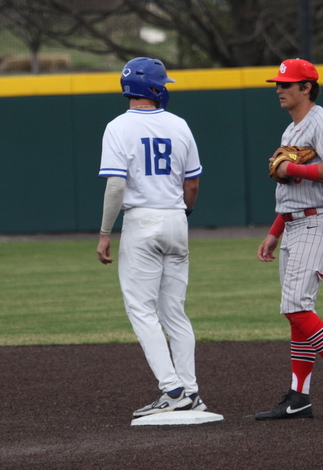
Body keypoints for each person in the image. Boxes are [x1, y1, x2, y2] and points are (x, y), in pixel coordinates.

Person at [254, 58, 323, 421]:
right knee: (296, 314)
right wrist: (275, 232)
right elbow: (293, 192)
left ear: (307, 88)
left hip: (320, 224)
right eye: (278, 83)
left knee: (296, 307)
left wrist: (293, 168)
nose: (279, 89)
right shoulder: (291, 131)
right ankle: (299, 397)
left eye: (287, 84)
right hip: (295, 224)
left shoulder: (322, 121)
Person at [97, 57, 205, 418]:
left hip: (141, 222)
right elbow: (192, 183)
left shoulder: (117, 127)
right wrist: (183, 214)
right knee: (174, 312)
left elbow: (115, 185)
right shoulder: (180, 125)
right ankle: (190, 390)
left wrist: (103, 234)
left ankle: (172, 390)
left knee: (142, 310)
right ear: (155, 88)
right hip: (176, 218)